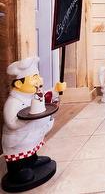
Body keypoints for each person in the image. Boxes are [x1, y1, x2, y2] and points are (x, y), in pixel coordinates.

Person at [1, 57, 65, 191]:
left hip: (30, 135)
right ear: (19, 84)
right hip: (18, 139)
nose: (39, 80)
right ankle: (17, 171)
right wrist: (28, 119)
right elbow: (12, 123)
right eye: (34, 78)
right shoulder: (13, 102)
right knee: (19, 156)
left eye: (38, 77)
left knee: (30, 148)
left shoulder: (32, 95)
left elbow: (46, 96)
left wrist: (56, 90)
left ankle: (32, 160)